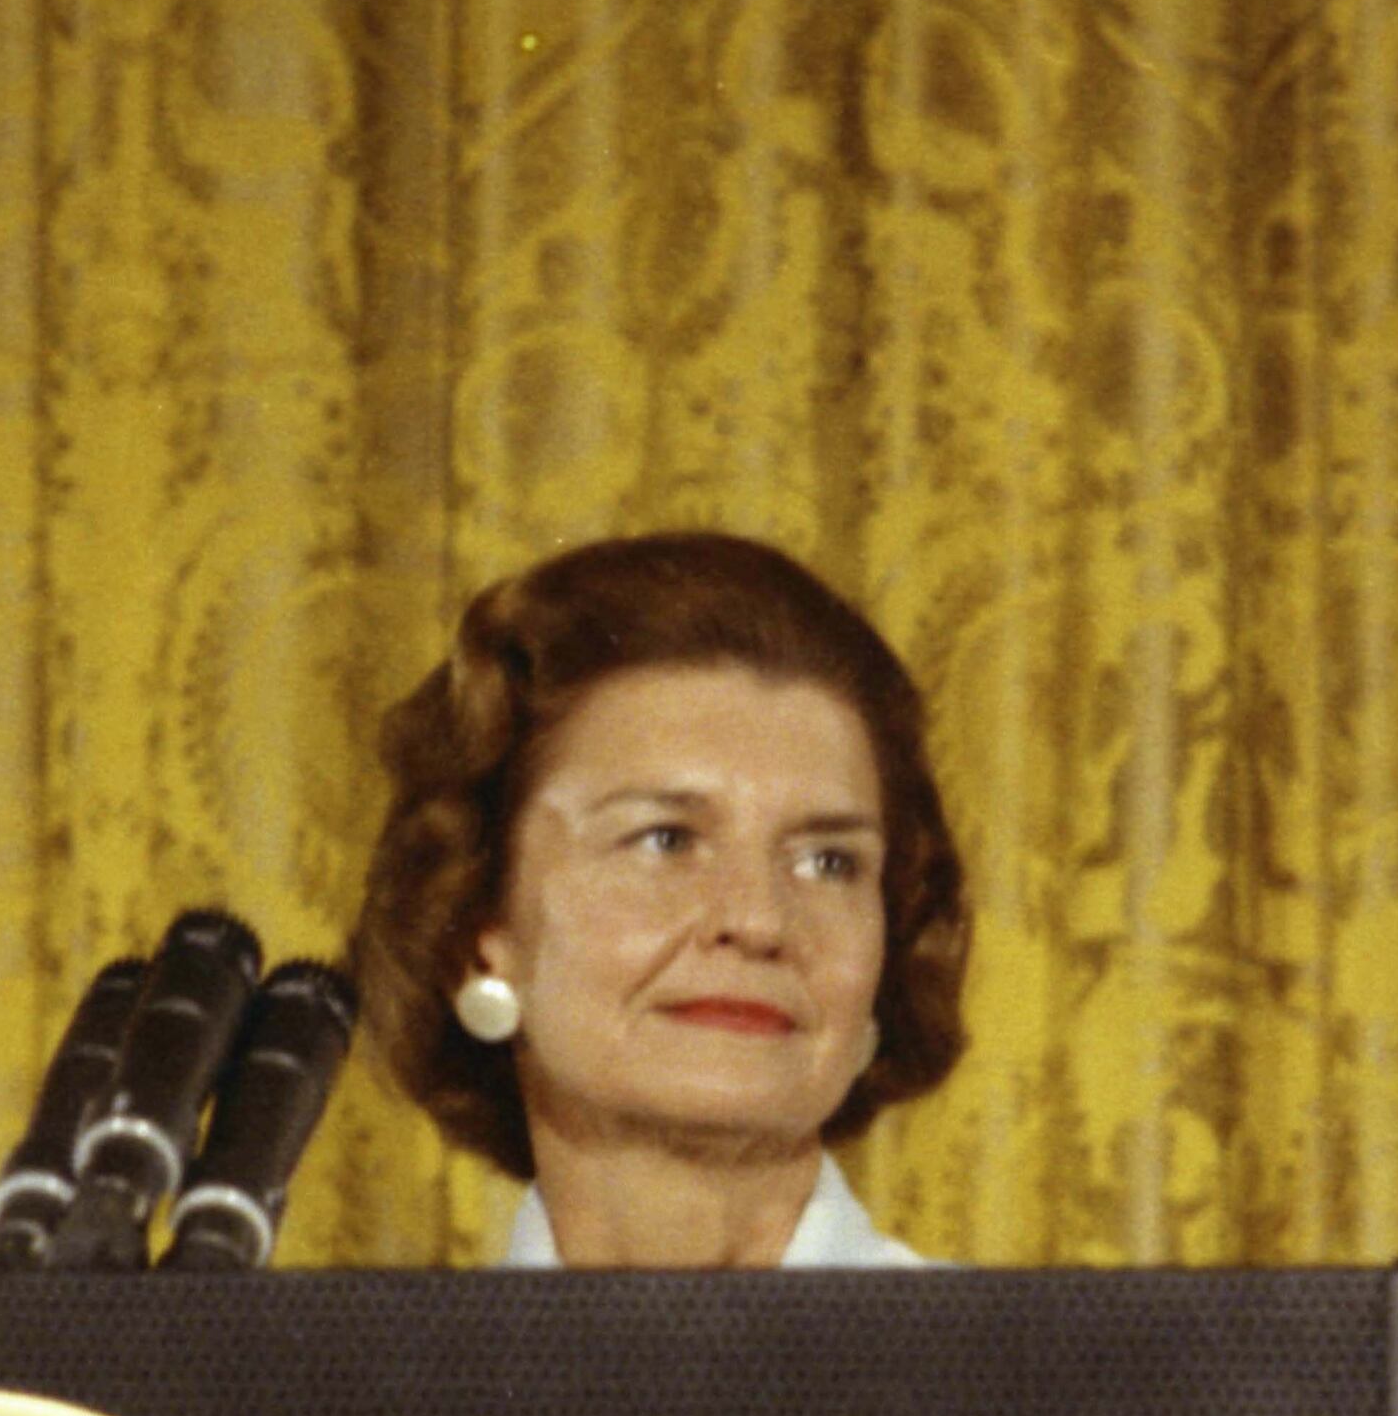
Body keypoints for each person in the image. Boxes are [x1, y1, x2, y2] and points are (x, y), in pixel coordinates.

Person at [356, 533, 967, 1268]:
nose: (758, 920)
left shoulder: (1028, 1381)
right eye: (666, 840)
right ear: (478, 930)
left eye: (828, 862)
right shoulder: (386, 1385)